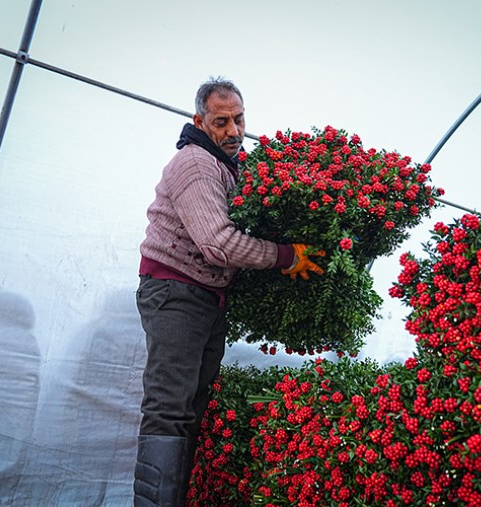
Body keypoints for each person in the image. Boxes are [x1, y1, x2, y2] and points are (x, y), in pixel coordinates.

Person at [133, 77, 324, 507]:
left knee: (189, 411)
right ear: (200, 121)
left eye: (239, 120)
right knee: (169, 409)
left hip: (204, 299)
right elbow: (218, 244)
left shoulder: (227, 166)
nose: (234, 131)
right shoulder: (198, 163)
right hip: (176, 294)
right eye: (222, 122)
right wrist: (285, 255)